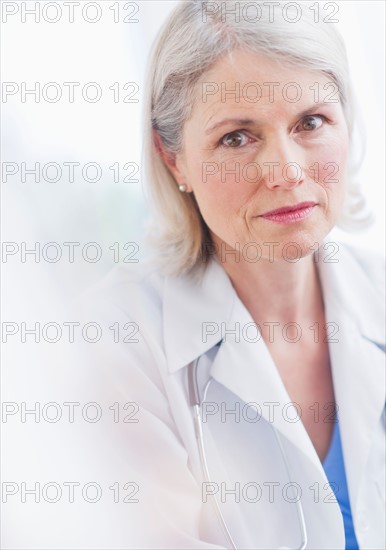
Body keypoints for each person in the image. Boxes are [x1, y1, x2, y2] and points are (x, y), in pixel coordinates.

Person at [72, 1, 385, 548]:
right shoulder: (115, 339)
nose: (287, 172)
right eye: (237, 137)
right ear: (174, 160)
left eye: (311, 122)